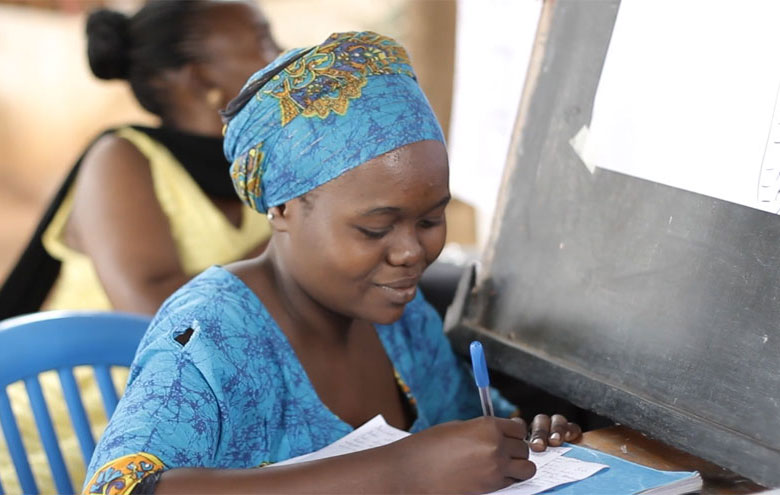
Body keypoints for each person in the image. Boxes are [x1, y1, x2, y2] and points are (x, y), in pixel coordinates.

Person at [82, 31, 581, 495]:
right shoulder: (212, 336)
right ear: (282, 209)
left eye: (430, 220)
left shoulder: (401, 317)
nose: (411, 252)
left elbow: (468, 425)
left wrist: (515, 443)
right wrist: (403, 470)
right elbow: (120, 488)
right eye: (375, 228)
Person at [0, 1, 281, 493]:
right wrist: (292, 246)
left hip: (182, 427)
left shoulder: (255, 166)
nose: (283, 54)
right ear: (199, 78)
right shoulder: (123, 160)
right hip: (64, 432)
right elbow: (155, 313)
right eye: (263, 41)